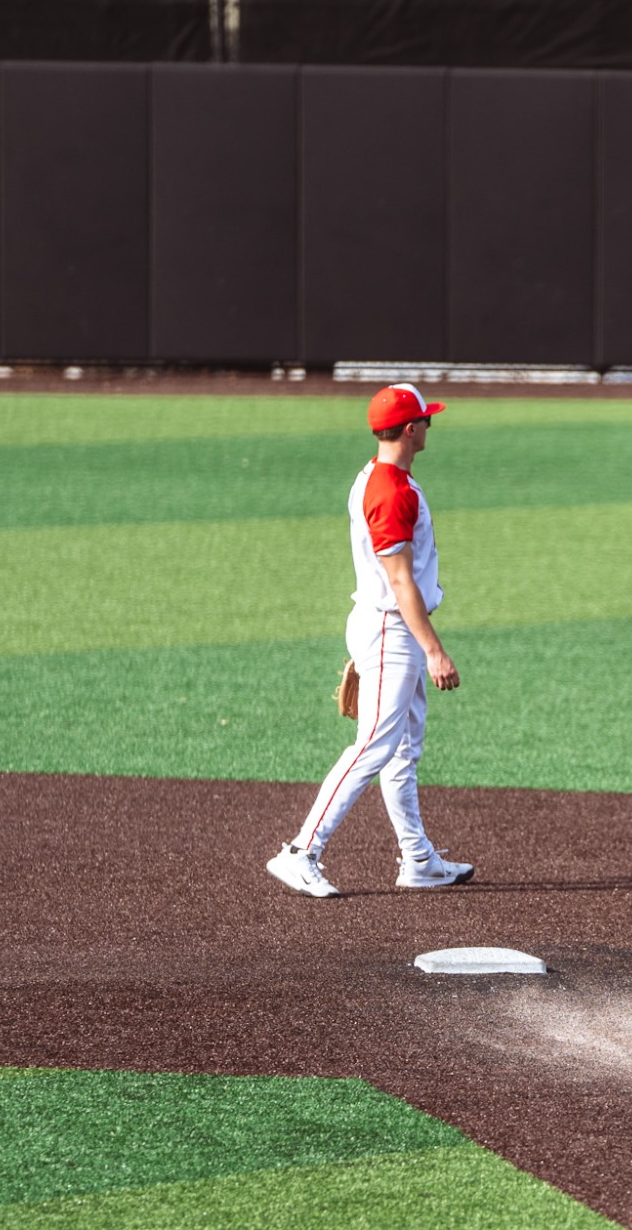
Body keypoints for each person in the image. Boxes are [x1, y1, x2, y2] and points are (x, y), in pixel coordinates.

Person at [266, 383, 474, 897]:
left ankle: (418, 859)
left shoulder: (374, 476)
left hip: (387, 624)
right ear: (409, 429)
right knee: (373, 747)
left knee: (403, 750)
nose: (429, 426)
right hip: (392, 630)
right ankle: (301, 851)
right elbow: (400, 581)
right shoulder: (392, 492)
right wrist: (434, 650)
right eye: (426, 419)